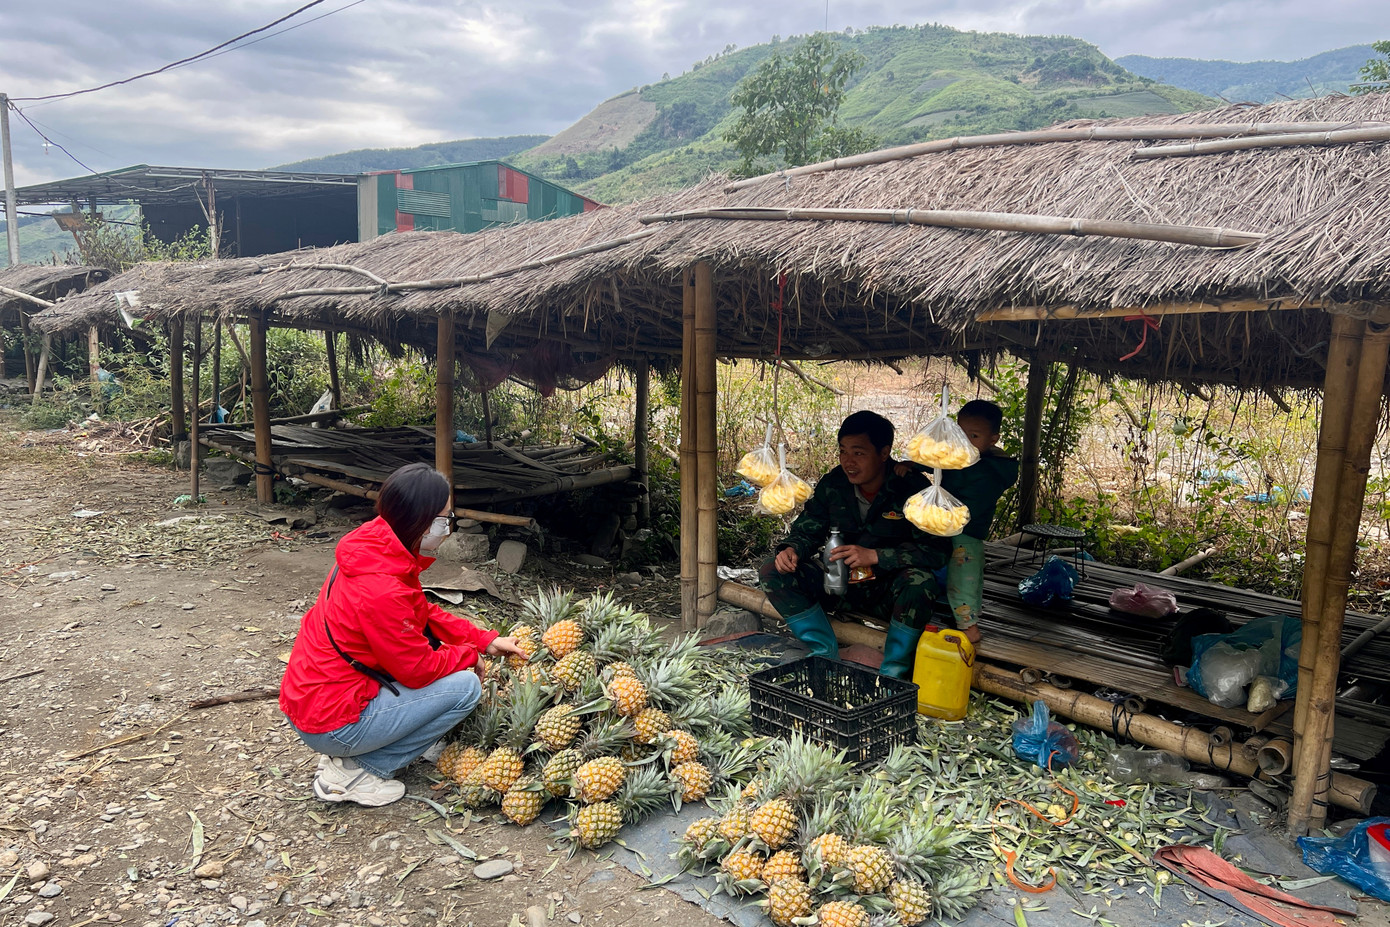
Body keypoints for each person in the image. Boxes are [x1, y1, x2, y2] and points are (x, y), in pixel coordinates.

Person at [280, 462, 526, 807]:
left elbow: (420, 612)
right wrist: (469, 656)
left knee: (447, 671)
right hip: (331, 719)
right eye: (444, 518)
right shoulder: (381, 587)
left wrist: (484, 639)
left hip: (315, 699)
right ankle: (358, 772)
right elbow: (418, 669)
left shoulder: (375, 547)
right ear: (420, 521)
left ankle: (352, 752)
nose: (447, 526)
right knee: (465, 688)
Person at [758, 411, 947, 677]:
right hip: (837, 585)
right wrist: (791, 549)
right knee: (772, 570)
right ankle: (824, 654)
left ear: (884, 453)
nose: (849, 462)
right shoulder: (834, 483)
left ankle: (893, 672)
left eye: (858, 453)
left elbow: (936, 552)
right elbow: (810, 527)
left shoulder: (912, 488)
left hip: (886, 591)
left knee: (920, 583)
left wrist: (877, 556)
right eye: (843, 452)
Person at [935, 399, 1019, 641]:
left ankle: (968, 627)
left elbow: (966, 494)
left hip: (967, 529)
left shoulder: (989, 471)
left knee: (964, 576)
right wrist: (913, 463)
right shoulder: (962, 456)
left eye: (973, 436)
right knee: (965, 573)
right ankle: (962, 615)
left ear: (992, 440)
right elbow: (940, 464)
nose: (964, 441)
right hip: (949, 524)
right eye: (959, 433)